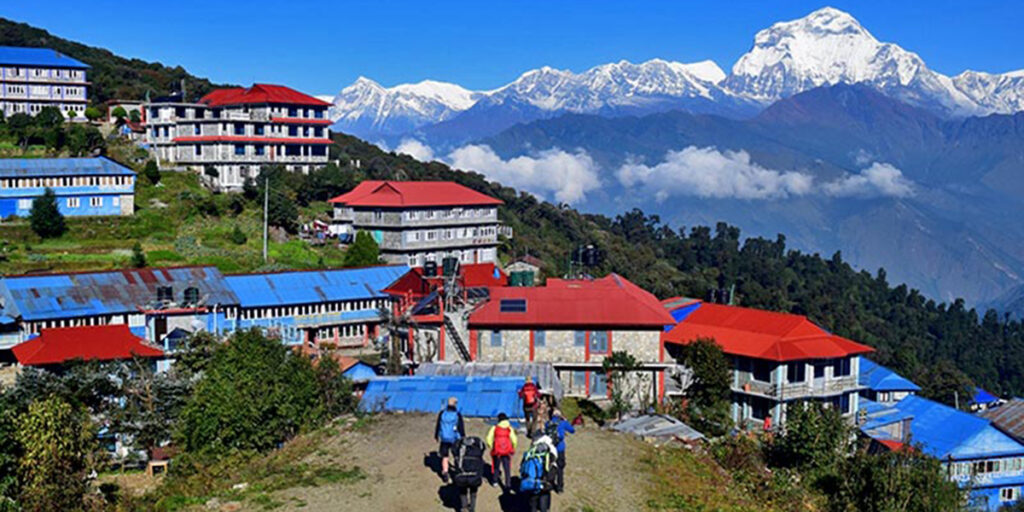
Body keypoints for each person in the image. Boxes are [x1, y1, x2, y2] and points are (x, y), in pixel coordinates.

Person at [519, 433, 558, 512]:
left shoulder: (531, 451)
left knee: (533, 505)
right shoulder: (549, 450)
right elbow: (553, 465)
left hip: (533, 483)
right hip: (544, 484)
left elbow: (522, 467)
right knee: (544, 506)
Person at [450, 436, 486, 512]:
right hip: (474, 476)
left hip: (462, 476)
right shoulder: (477, 450)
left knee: (462, 491)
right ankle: (472, 508)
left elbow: (453, 451)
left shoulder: (459, 450)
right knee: (473, 492)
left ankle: (464, 506)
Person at [435, 396, 465, 483]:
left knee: (445, 456)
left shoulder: (442, 413)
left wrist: (436, 435)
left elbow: (438, 425)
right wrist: (463, 437)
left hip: (444, 438)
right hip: (454, 438)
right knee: (456, 455)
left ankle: (445, 472)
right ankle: (457, 471)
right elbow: (461, 427)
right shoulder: (457, 414)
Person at [544, 409, 575, 493]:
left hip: (550, 448)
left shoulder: (548, 423)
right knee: (560, 468)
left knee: (550, 466)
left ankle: (549, 483)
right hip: (560, 448)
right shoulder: (563, 423)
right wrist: (566, 421)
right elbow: (572, 430)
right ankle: (559, 487)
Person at [485, 412, 518, 490]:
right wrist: (513, 447)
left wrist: (491, 446)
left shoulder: (495, 428)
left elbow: (488, 439)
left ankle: (495, 481)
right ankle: (508, 484)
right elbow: (514, 439)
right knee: (507, 468)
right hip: (507, 450)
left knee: (496, 466)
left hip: (497, 450)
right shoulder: (509, 428)